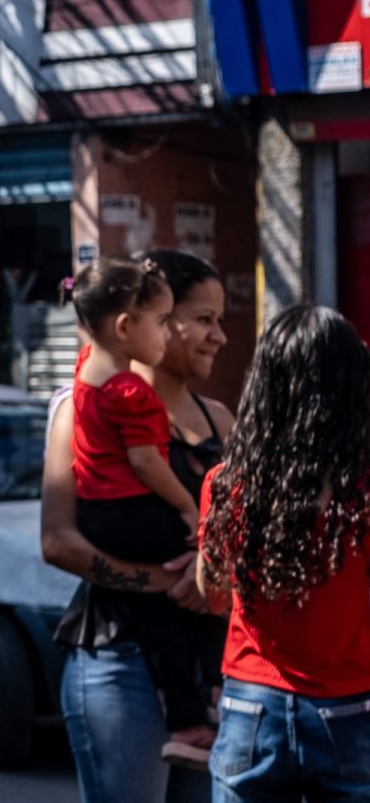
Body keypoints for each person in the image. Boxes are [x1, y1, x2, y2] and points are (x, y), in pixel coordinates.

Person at [43, 248, 233, 803]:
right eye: (203, 320)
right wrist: (170, 582)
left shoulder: (219, 417)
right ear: (153, 317)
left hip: (203, 667)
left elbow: (242, 525)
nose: (218, 336)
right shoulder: (82, 409)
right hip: (117, 661)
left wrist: (212, 567)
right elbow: (58, 542)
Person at [197, 305, 370, 802]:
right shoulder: (359, 493)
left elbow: (213, 598)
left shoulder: (227, 485)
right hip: (350, 706)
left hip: (253, 706)